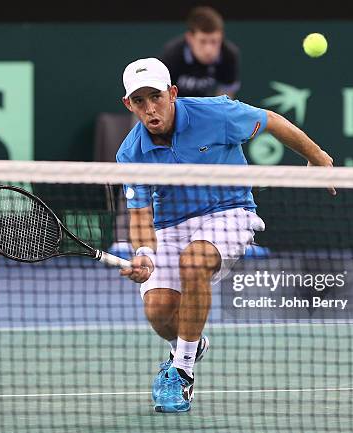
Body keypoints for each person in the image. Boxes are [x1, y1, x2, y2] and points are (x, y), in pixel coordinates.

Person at [116, 58, 335, 413]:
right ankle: (190, 343)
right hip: (170, 225)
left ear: (172, 93)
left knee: (195, 262)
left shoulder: (217, 114)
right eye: (139, 101)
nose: (150, 108)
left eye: (155, 96)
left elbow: (272, 121)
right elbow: (140, 215)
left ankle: (182, 372)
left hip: (229, 211)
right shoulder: (131, 152)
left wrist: (319, 158)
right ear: (129, 105)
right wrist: (143, 252)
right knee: (158, 310)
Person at [161, 6, 240, 98]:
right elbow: (164, 96)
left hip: (204, 104)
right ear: (190, 38)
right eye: (203, 41)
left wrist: (216, 111)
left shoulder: (229, 55)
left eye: (214, 41)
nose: (208, 50)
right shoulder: (172, 55)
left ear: (221, 37)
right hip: (176, 104)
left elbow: (226, 98)